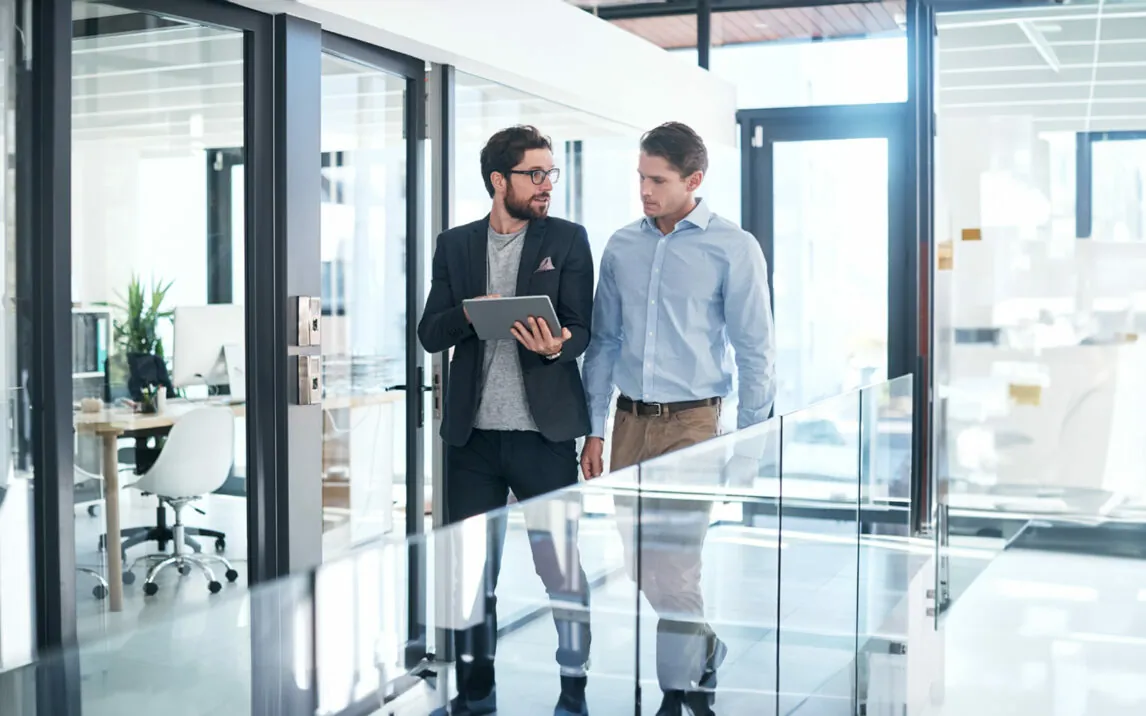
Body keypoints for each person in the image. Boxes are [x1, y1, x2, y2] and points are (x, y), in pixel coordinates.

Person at [580, 122, 776, 716]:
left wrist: (749, 446)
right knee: (639, 560)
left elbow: (755, 352)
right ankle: (704, 643)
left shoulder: (733, 248)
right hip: (630, 422)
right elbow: (604, 343)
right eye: (640, 177)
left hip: (693, 425)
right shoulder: (621, 245)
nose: (644, 190)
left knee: (678, 560)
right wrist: (595, 428)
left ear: (694, 180)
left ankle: (678, 691)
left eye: (657, 180)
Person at [418, 125, 595, 716]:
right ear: (500, 181)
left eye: (551, 174)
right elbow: (429, 333)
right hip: (471, 440)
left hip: (544, 437)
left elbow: (582, 328)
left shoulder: (568, 240)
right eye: (535, 174)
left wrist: (555, 347)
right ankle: (475, 694)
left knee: (561, 570)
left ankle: (574, 689)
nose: (547, 185)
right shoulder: (456, 245)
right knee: (471, 578)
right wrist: (474, 317)